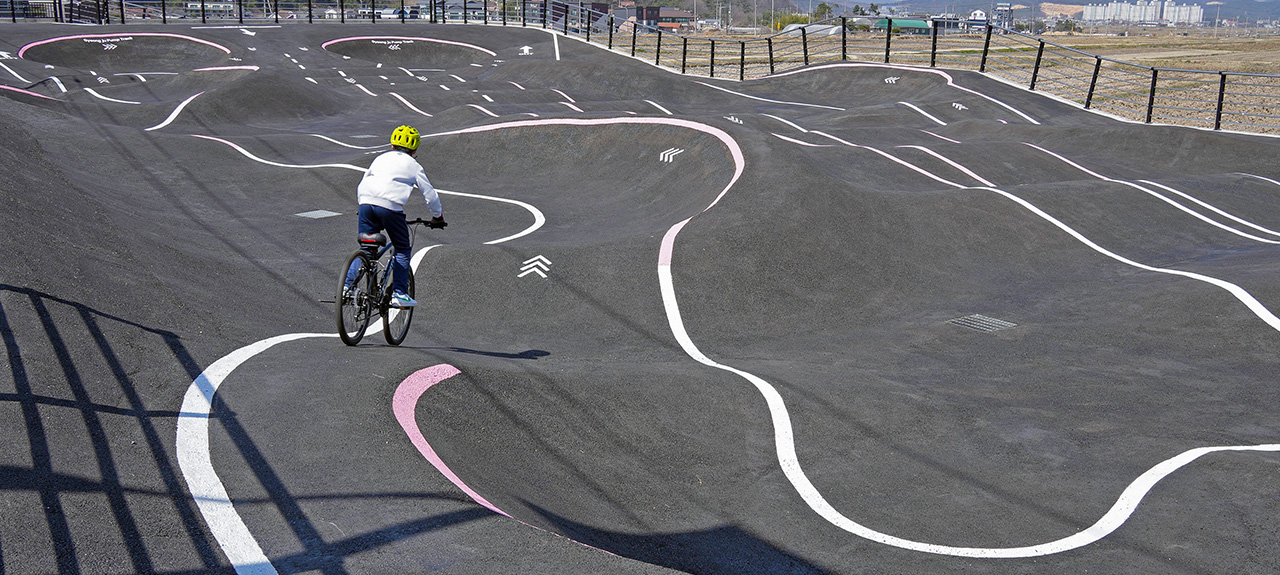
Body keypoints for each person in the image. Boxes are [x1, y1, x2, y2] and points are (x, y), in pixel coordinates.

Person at [349, 125, 446, 308]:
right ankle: (399, 293)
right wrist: (437, 217)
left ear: (392, 145)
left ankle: (347, 287)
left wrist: (364, 204)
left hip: (365, 204)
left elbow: (364, 181)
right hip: (390, 208)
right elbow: (430, 195)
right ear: (415, 149)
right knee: (402, 249)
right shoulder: (414, 166)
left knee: (366, 249)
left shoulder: (379, 158)